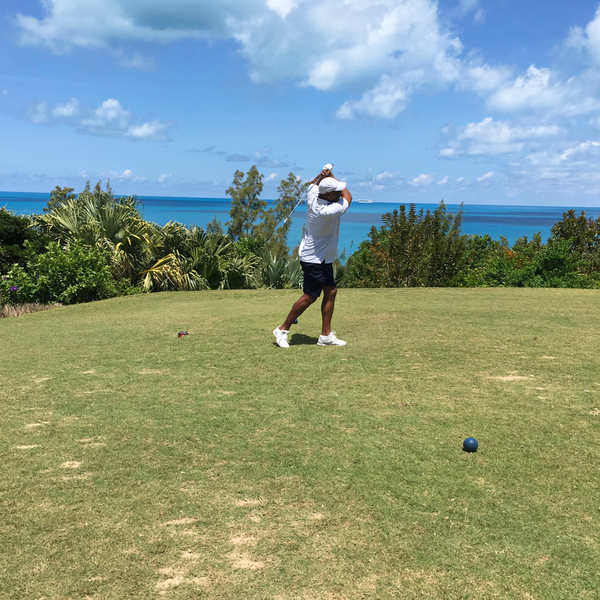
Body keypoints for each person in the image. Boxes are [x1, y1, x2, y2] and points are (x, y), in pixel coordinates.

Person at [273, 166, 352, 348]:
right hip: (314, 259)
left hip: (322, 257)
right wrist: (332, 176)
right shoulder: (328, 211)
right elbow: (348, 196)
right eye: (336, 191)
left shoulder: (314, 195)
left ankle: (325, 336)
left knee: (331, 291)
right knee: (310, 296)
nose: (339, 192)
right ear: (328, 195)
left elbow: (312, 184)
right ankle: (282, 329)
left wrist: (322, 175)